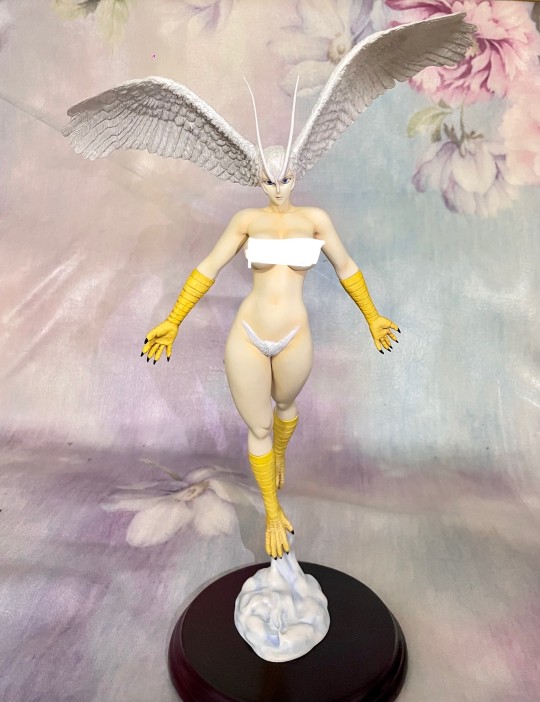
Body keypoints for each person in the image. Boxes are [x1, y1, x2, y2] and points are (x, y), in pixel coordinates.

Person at [141, 143, 399, 559]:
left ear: (296, 174)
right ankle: (272, 511)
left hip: (295, 334)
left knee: (285, 405)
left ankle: (279, 453)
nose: (278, 189)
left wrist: (372, 317)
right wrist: (174, 320)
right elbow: (208, 267)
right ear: (257, 179)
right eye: (268, 181)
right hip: (248, 333)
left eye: (285, 179)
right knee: (258, 427)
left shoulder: (315, 220)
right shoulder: (247, 220)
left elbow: (346, 267)